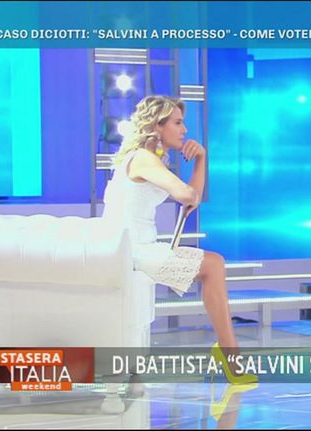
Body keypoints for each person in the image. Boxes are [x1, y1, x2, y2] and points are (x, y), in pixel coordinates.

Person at [102, 95, 256, 384]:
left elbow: (191, 201)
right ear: (157, 126)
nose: (184, 130)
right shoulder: (143, 158)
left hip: (141, 246)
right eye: (178, 123)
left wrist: (201, 159)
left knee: (214, 265)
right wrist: (193, 177)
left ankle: (228, 353)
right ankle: (229, 355)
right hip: (130, 249)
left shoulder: (151, 159)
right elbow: (187, 195)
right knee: (213, 265)